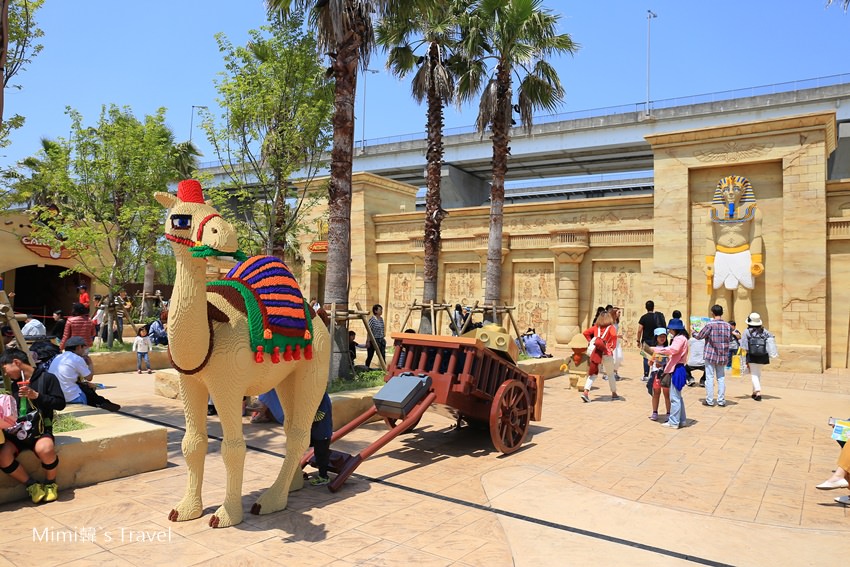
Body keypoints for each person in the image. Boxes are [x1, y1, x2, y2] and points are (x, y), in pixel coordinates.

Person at [0, 348, 66, 504]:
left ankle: (50, 483)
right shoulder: (16, 384)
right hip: (18, 431)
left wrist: (36, 396)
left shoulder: (47, 378)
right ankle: (32, 485)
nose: (6, 374)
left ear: (16, 362)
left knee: (45, 449)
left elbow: (60, 403)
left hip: (40, 430)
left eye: (5, 369)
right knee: (3, 457)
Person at [704, 175, 763, 327]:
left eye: (735, 189)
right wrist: (709, 262)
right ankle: (720, 334)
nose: (730, 192)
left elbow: (755, 237)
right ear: (721, 193)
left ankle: (742, 335)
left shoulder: (753, 212)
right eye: (726, 189)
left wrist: (757, 261)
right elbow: (710, 239)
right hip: (721, 255)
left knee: (743, 293)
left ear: (743, 192)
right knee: (721, 294)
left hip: (743, 254)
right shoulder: (712, 214)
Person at [48, 336, 120, 412]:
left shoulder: (59, 357)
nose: (84, 350)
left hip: (58, 397)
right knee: (89, 392)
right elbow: (89, 377)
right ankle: (102, 405)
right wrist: (90, 364)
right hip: (72, 398)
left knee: (85, 388)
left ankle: (103, 404)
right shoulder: (77, 358)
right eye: (84, 347)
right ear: (79, 347)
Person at [653, 319, 690, 429]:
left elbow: (674, 349)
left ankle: (673, 422)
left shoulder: (679, 339)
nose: (669, 331)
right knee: (678, 397)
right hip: (679, 367)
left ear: (674, 329)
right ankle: (682, 420)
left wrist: (657, 350)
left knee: (674, 398)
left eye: (670, 329)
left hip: (677, 368)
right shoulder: (682, 338)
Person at [693, 304, 732, 407]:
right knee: (721, 378)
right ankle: (721, 400)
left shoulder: (710, 325)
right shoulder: (728, 326)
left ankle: (709, 400)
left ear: (712, 313)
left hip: (710, 354)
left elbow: (699, 336)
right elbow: (730, 339)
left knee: (709, 377)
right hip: (722, 355)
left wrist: (693, 332)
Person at [580, 310, 618, 402]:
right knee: (610, 374)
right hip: (606, 353)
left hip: (596, 352)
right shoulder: (611, 327)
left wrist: (590, 341)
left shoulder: (596, 327)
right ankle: (614, 393)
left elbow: (585, 333)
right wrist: (612, 346)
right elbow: (614, 335)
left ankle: (586, 392)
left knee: (593, 372)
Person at [740, 312, 774, 402]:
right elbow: (772, 336)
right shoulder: (764, 331)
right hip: (762, 355)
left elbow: (744, 345)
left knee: (754, 374)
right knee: (758, 373)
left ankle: (758, 392)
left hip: (752, 355)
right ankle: (754, 392)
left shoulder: (747, 331)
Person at [636, 300, 666, 381]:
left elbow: (639, 330)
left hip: (646, 340)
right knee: (657, 356)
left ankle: (646, 375)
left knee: (646, 358)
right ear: (653, 307)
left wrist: (638, 340)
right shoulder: (656, 317)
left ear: (646, 307)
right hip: (655, 340)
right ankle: (657, 373)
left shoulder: (643, 317)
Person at [646, 328, 671, 421]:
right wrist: (652, 361)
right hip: (655, 373)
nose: (662, 338)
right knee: (656, 393)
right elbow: (649, 363)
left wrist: (663, 363)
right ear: (656, 337)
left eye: (664, 336)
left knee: (666, 394)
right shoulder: (652, 348)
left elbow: (670, 361)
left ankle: (668, 413)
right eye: (660, 336)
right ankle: (655, 412)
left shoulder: (668, 348)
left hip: (665, 374)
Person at [365, 304, 386, 368]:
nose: (381, 311)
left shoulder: (381, 319)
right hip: (373, 340)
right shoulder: (372, 320)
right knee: (370, 355)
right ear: (375, 311)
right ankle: (366, 367)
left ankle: (383, 368)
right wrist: (368, 341)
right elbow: (369, 331)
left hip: (381, 340)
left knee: (382, 355)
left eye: (381, 310)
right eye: (380, 310)